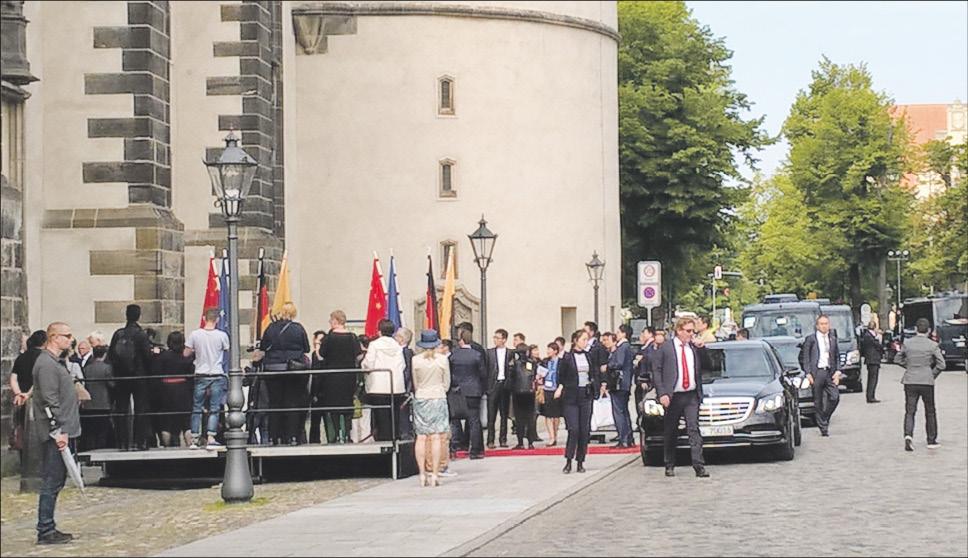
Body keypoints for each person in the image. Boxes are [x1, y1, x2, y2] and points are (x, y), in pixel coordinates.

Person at [31, 322, 81, 545]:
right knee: (51, 480)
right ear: (54, 337)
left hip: (63, 429)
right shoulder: (47, 365)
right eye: (66, 335)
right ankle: (45, 528)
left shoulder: (54, 363)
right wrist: (57, 430)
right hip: (56, 432)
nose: (70, 339)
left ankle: (48, 526)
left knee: (57, 479)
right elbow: (49, 401)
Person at [654, 317, 710, 478]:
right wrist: (662, 393)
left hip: (691, 394)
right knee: (671, 430)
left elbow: (708, 366)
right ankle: (669, 463)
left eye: (693, 331)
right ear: (679, 331)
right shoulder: (666, 348)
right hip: (674, 395)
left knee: (693, 428)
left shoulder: (693, 348)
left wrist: (702, 349)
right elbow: (656, 371)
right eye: (688, 331)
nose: (691, 334)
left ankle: (699, 465)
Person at [258, 302, 311, 445]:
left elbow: (263, 346)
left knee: (274, 403)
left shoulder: (270, 328)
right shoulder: (298, 328)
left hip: (273, 369)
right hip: (293, 370)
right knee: (292, 402)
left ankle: (273, 437)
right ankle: (292, 437)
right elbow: (306, 348)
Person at [108, 304, 155, 451]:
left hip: (122, 376)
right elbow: (148, 357)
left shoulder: (118, 334)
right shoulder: (141, 335)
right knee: (141, 409)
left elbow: (111, 355)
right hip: (139, 375)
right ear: (138, 315)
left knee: (121, 409)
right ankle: (140, 442)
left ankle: (122, 442)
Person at [896, 318, 945, 451]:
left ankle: (908, 435)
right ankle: (931, 440)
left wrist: (909, 366)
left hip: (910, 380)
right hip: (926, 381)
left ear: (916, 329)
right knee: (930, 411)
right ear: (928, 330)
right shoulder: (932, 345)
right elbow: (942, 364)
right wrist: (931, 373)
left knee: (910, 410)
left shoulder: (908, 343)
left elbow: (897, 358)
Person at [556, 329, 601, 474]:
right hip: (571, 396)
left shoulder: (589, 356)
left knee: (584, 430)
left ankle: (580, 460)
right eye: (583, 339)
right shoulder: (567, 358)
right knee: (573, 429)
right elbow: (560, 376)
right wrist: (560, 388)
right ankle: (568, 459)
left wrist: (597, 387)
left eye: (587, 339)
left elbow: (594, 373)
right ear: (575, 340)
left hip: (585, 395)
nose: (585, 342)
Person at [184, 308, 230, 449]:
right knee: (214, 408)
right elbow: (226, 350)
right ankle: (211, 437)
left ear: (204, 318)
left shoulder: (195, 335)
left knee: (197, 407)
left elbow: (186, 353)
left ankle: (194, 439)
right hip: (216, 373)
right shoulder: (222, 335)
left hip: (201, 373)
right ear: (217, 320)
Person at [316, 311, 362, 444]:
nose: (330, 323)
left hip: (332, 376)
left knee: (334, 406)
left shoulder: (329, 338)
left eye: (331, 320)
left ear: (335, 321)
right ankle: (347, 434)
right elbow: (358, 356)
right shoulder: (353, 337)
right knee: (347, 404)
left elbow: (321, 356)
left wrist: (318, 346)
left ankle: (336, 435)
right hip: (348, 375)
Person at [411, 330, 451, 487]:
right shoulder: (442, 360)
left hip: (421, 397)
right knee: (436, 437)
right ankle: (434, 473)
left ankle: (422, 474)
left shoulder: (415, 360)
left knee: (421, 437)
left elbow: (415, 382)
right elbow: (446, 382)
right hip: (438, 396)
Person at [362, 319, 407, 441]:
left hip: (378, 387)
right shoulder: (397, 346)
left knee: (381, 419)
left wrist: (363, 365)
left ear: (379, 331)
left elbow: (369, 364)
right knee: (394, 417)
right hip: (396, 387)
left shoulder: (374, 345)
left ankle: (382, 441)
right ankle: (395, 441)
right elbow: (402, 365)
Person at [799, 315, 841, 437]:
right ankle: (823, 427)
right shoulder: (811, 339)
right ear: (817, 326)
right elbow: (805, 357)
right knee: (818, 401)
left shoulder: (832, 339)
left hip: (829, 372)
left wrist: (837, 371)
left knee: (835, 397)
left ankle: (824, 417)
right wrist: (808, 373)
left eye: (826, 323)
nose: (824, 326)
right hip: (816, 372)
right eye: (822, 324)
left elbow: (837, 356)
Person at [449, 329, 487, 459]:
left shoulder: (454, 355)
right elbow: (483, 374)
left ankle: (456, 446)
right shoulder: (477, 355)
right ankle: (475, 450)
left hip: (458, 391)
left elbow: (450, 374)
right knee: (474, 421)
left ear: (461, 340)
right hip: (474, 390)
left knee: (455, 419)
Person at [152, 331, 195, 447]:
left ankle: (166, 447)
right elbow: (191, 375)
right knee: (186, 423)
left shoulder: (162, 357)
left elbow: (156, 374)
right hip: (183, 391)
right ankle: (190, 445)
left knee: (166, 423)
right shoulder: (186, 358)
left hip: (166, 391)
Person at [78, 344, 115, 451]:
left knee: (90, 432)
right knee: (102, 431)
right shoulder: (107, 368)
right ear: (105, 354)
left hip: (88, 404)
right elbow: (112, 384)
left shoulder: (87, 368)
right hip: (103, 403)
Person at [607, 324, 635, 448]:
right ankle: (628, 437)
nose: (616, 334)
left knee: (619, 411)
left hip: (620, 383)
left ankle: (623, 438)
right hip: (625, 383)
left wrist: (609, 365)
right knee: (624, 410)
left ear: (624, 334)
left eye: (618, 332)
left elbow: (619, 363)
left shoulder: (623, 347)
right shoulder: (626, 347)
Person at [485, 329, 513, 449]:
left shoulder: (510, 353)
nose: (495, 340)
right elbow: (486, 370)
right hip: (493, 385)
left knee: (504, 414)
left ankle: (503, 439)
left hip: (505, 385)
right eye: (494, 337)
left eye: (498, 337)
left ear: (504, 339)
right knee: (491, 414)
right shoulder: (489, 353)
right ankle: (490, 440)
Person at [509, 343, 537, 449]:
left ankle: (520, 442)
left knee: (519, 418)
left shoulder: (514, 364)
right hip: (529, 392)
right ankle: (530, 442)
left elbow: (511, 378)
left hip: (518, 393)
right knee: (530, 417)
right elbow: (532, 374)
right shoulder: (531, 363)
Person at [538, 342, 563, 446]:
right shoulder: (544, 362)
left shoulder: (561, 362)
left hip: (556, 389)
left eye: (550, 349)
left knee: (556, 415)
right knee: (548, 415)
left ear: (555, 351)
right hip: (546, 389)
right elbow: (540, 373)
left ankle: (555, 435)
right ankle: (551, 437)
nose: (548, 351)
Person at [395, 327, 416, 441]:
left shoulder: (406, 353)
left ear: (402, 339)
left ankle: (405, 436)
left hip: (404, 389)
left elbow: (407, 372)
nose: (395, 338)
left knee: (403, 416)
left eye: (397, 336)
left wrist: (407, 389)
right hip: (403, 388)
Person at [308, 329, 327, 443]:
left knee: (327, 419)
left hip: (326, 390)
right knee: (315, 420)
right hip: (316, 391)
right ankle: (314, 441)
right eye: (317, 342)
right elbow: (314, 375)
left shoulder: (327, 355)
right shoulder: (314, 355)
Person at [634, 327, 657, 419]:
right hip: (643, 379)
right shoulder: (645, 347)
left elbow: (647, 364)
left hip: (646, 380)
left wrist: (644, 379)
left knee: (644, 402)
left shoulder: (650, 348)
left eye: (644, 333)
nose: (642, 335)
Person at [860, 320, 884, 403]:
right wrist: (879, 337)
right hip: (873, 360)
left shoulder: (867, 335)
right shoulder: (869, 336)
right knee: (873, 379)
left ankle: (871, 395)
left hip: (872, 360)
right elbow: (878, 345)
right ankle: (870, 396)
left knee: (872, 379)